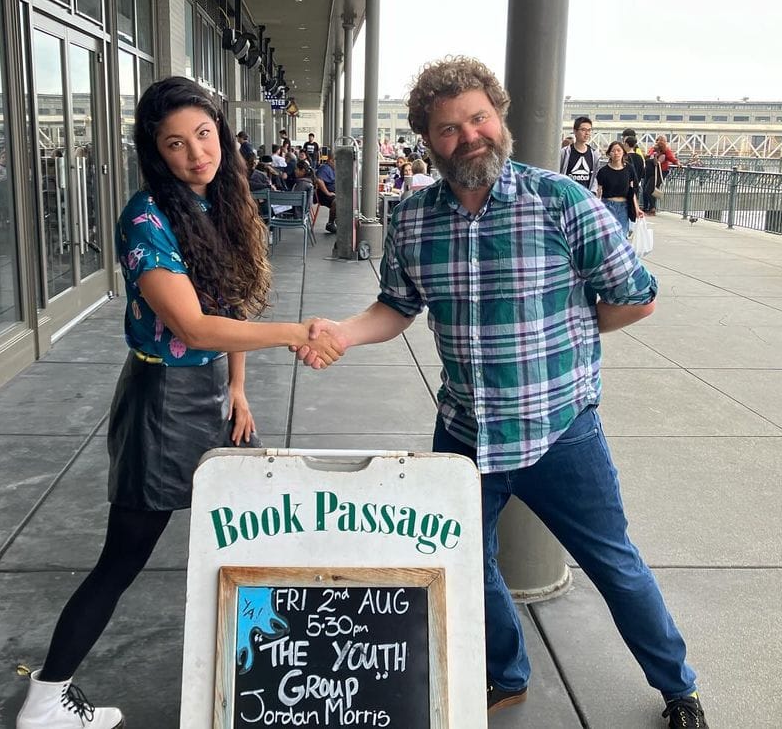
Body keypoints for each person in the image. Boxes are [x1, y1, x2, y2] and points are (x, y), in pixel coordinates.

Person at [296, 57, 708, 728]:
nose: (470, 136)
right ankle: (506, 673)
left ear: (500, 115)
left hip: (560, 431)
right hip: (463, 431)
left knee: (614, 563)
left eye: (479, 117)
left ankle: (677, 685)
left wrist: (571, 329)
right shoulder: (413, 219)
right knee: (464, 558)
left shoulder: (562, 203)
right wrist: (340, 332)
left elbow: (638, 298)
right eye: (450, 128)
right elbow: (397, 306)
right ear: (428, 141)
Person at [15, 77, 343, 729]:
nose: (196, 153)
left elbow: (231, 304)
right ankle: (45, 698)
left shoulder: (219, 201)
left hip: (212, 395)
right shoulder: (146, 217)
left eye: (203, 134)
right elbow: (194, 328)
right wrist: (295, 334)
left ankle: (257, 681)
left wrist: (241, 388)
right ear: (156, 153)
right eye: (176, 144)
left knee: (241, 536)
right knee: (122, 559)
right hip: (162, 402)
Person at [594, 141, 642, 233]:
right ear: (609, 154)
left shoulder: (629, 169)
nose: (616, 153)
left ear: (623, 152)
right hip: (607, 205)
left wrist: (637, 208)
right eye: (613, 151)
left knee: (622, 235)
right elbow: (599, 192)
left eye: (619, 150)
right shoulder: (603, 171)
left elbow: (631, 191)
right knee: (609, 235)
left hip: (624, 207)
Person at [559, 115, 600, 192]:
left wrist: (593, 192)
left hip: (585, 197)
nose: (587, 133)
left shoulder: (594, 154)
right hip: (568, 196)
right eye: (583, 130)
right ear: (575, 131)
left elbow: (595, 176)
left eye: (589, 130)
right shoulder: (564, 152)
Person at [314, 150, 337, 233]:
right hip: (324, 195)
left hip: (333, 193)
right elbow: (319, 180)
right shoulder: (324, 168)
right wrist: (327, 192)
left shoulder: (333, 169)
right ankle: (330, 223)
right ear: (331, 160)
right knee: (337, 202)